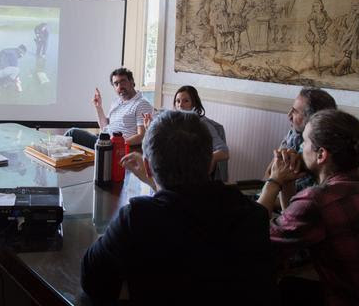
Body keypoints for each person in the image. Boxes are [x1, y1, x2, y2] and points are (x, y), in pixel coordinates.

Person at [81, 111, 277, 304]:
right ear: (210, 163)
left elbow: (92, 281)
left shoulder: (137, 218)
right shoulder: (253, 215)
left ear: (147, 167)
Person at [257, 109, 359, 305]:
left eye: (304, 142)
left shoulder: (316, 201)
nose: (300, 147)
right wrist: (288, 184)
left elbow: (257, 242)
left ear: (321, 154)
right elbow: (292, 227)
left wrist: (274, 180)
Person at [266, 87, 337, 201]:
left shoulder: (324, 150)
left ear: (313, 118)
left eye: (295, 112)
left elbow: (302, 201)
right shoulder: (295, 133)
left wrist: (267, 198)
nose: (289, 115)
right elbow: (269, 173)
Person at [144, 85, 229, 178]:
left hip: (194, 175)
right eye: (178, 101)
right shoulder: (173, 121)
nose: (180, 105)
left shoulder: (202, 124)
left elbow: (224, 152)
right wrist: (149, 129)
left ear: (194, 104)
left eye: (186, 101)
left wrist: (210, 159)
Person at [66, 67, 153, 149]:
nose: (120, 86)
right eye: (116, 84)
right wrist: (98, 107)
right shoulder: (116, 102)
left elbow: (141, 136)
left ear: (131, 82)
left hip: (113, 146)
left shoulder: (141, 104)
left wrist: (117, 143)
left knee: (72, 133)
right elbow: (104, 127)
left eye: (123, 81)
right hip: (104, 141)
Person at [305, 0, 332, 75]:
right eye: (314, 6)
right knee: (317, 51)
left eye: (317, 6)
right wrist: (317, 35)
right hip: (314, 34)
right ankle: (317, 68)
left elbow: (329, 21)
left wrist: (325, 27)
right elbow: (312, 26)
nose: (315, 8)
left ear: (321, 6)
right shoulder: (313, 15)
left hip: (321, 32)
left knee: (315, 50)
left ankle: (314, 65)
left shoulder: (324, 13)